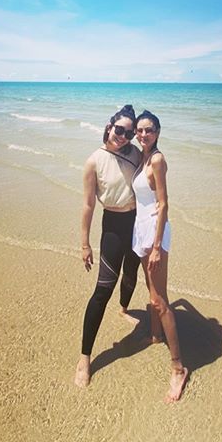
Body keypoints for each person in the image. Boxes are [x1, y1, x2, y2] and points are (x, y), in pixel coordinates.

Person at [75, 104, 142, 388]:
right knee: (103, 289)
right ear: (109, 126)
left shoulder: (136, 153)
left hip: (138, 223)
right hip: (113, 225)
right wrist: (85, 244)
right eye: (119, 130)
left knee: (132, 273)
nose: (123, 137)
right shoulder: (94, 161)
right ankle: (85, 358)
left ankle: (124, 310)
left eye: (129, 133)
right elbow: (88, 205)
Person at [133, 110, 188, 402]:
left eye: (149, 130)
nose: (144, 134)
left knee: (160, 300)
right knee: (151, 291)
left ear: (158, 132)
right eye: (140, 130)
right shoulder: (142, 157)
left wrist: (156, 246)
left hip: (155, 231)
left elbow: (164, 204)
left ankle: (178, 367)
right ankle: (155, 336)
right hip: (142, 228)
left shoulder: (156, 160)